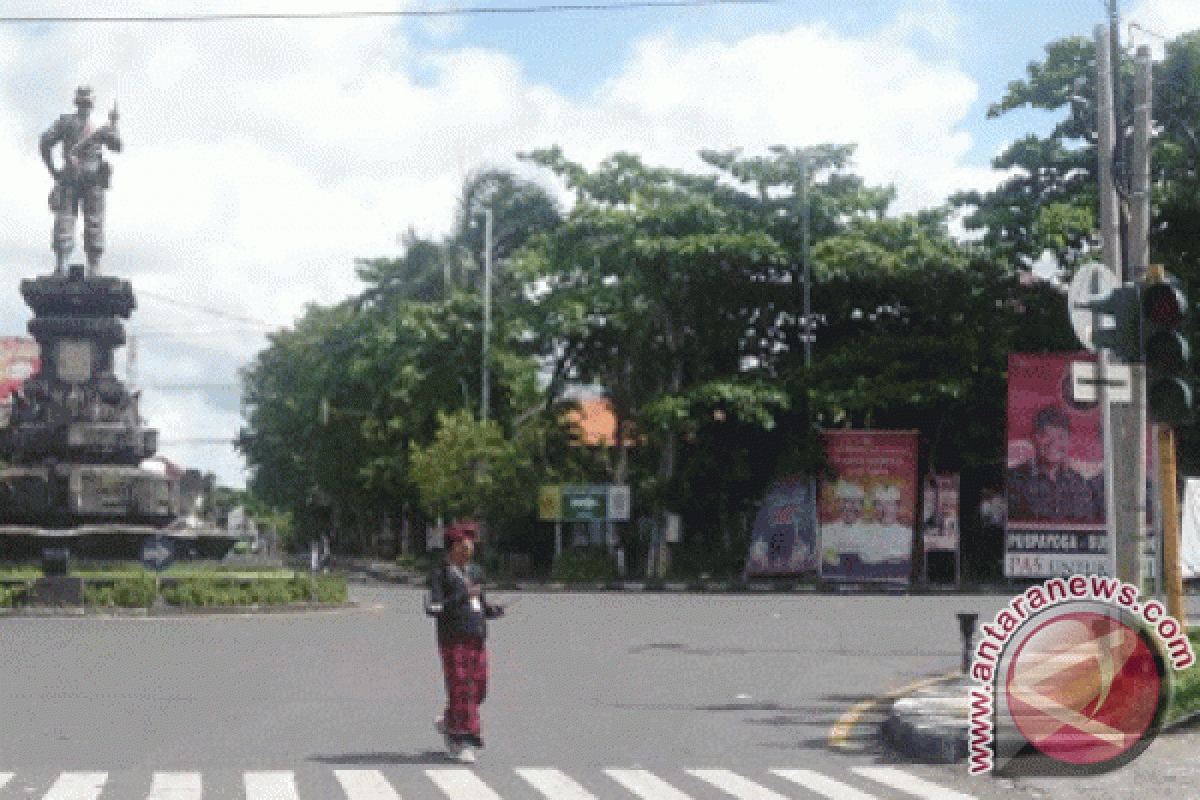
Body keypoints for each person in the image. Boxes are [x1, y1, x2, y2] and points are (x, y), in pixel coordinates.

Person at [427, 527, 504, 763]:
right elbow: (434, 607)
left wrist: (491, 610)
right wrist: (461, 596)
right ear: (453, 547)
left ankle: (451, 722)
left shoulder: (472, 572)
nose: (470, 550)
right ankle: (464, 740)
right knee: (462, 687)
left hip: (476, 635)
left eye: (471, 545)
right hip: (454, 638)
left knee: (479, 688)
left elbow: (477, 602)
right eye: (464, 545)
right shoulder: (441, 574)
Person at [40, 86, 122, 275]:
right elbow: (44, 142)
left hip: (91, 179)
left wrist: (114, 124)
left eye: (87, 102)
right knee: (67, 220)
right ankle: (65, 265)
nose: (85, 105)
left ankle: (91, 266)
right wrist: (54, 172)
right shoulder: (67, 122)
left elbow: (117, 145)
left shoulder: (98, 124)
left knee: (91, 221)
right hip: (73, 177)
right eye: (83, 101)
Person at [1007, 405, 1103, 522]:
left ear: (1069, 441)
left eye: (1061, 436)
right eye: (1046, 435)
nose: (1054, 442)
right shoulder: (1013, 481)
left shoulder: (1079, 485)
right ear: (1033, 438)